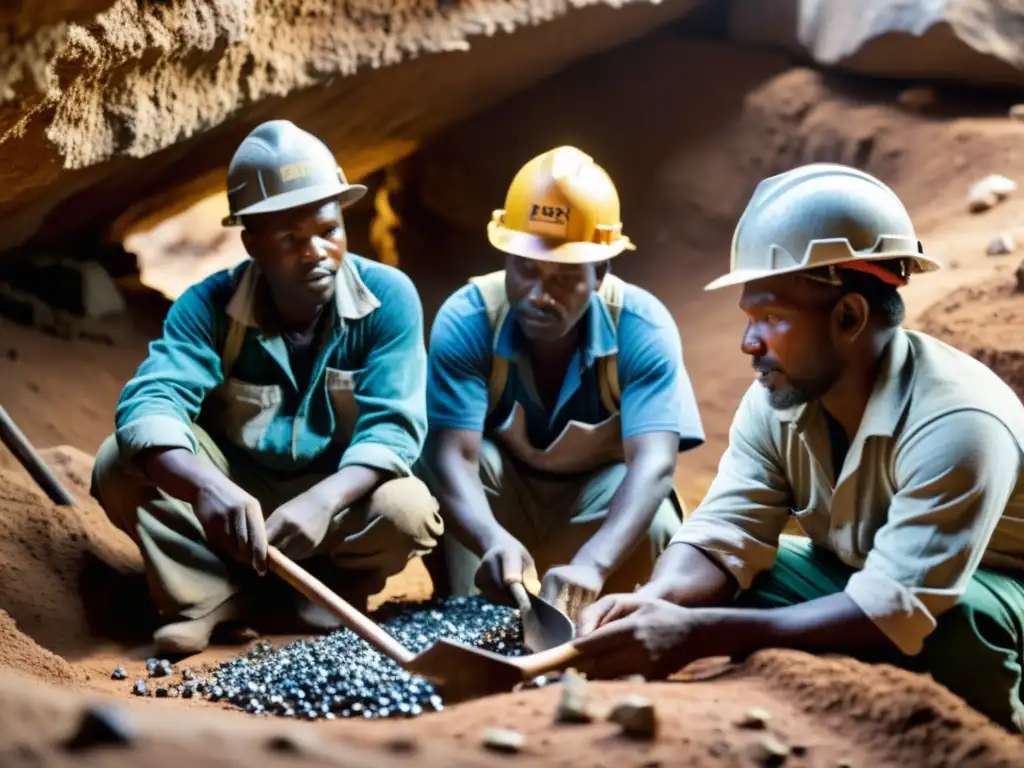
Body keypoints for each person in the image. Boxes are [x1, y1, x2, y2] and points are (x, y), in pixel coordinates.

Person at [574, 162, 1024, 733]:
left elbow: (898, 603)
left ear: (849, 315)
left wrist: (700, 633)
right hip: (861, 575)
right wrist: (661, 601)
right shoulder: (779, 398)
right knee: (732, 585)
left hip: (984, 591)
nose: (748, 342)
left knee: (956, 625)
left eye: (770, 316)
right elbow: (727, 532)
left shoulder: (961, 421)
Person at [91, 120, 442, 655]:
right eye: (290, 239)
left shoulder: (388, 298)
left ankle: (330, 593)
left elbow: (394, 429)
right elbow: (151, 402)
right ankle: (205, 594)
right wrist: (206, 488)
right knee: (119, 460)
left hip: (336, 499)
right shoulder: (208, 306)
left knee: (406, 509)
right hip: (235, 499)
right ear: (252, 240)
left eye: (329, 230)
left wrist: (325, 499)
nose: (317, 251)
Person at [418, 145, 705, 620]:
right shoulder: (470, 316)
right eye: (527, 270)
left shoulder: (640, 325)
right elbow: (452, 456)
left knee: (656, 517)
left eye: (564, 277)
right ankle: (466, 607)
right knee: (450, 471)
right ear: (507, 259)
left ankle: (609, 622)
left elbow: (654, 463)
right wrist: (491, 539)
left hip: (595, 514)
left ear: (599, 274)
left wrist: (592, 564)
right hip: (497, 512)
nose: (539, 294)